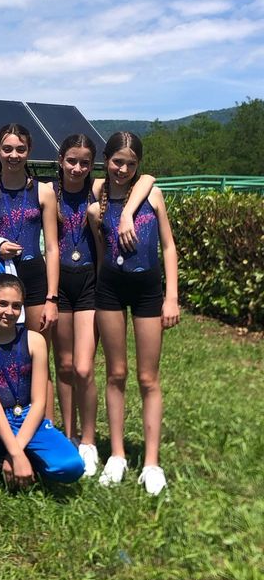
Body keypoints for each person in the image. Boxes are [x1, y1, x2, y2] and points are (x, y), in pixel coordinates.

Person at [50, 134, 155, 477]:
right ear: (60, 160)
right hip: (60, 283)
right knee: (64, 366)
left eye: (85, 162)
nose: (77, 167)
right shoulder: (48, 191)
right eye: (71, 160)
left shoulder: (98, 189)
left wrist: (126, 215)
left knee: (83, 368)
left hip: (91, 285)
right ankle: (69, 434)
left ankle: (89, 440)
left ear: (94, 163)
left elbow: (147, 179)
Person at [87, 132, 179, 496]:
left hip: (148, 291)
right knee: (116, 373)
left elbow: (168, 247)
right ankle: (118, 455)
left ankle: (152, 463)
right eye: (117, 162)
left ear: (137, 165)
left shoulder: (152, 194)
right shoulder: (97, 197)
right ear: (106, 160)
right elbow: (101, 252)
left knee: (147, 377)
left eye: (130, 164)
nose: (122, 169)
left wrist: (171, 297)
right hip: (110, 289)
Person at [0, 273, 84, 493]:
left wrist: (16, 452)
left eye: (16, 306)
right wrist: (15, 453)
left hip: (28, 418)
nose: (9, 311)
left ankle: (25, 459)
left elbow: (39, 402)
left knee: (72, 467)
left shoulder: (35, 341)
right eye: (2, 304)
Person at [0, 123, 59, 420]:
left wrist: (52, 297)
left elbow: (52, 247)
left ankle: (45, 428)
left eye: (20, 149)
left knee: (39, 359)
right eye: (7, 149)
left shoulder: (43, 192)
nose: (14, 155)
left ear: (29, 150)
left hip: (34, 279)